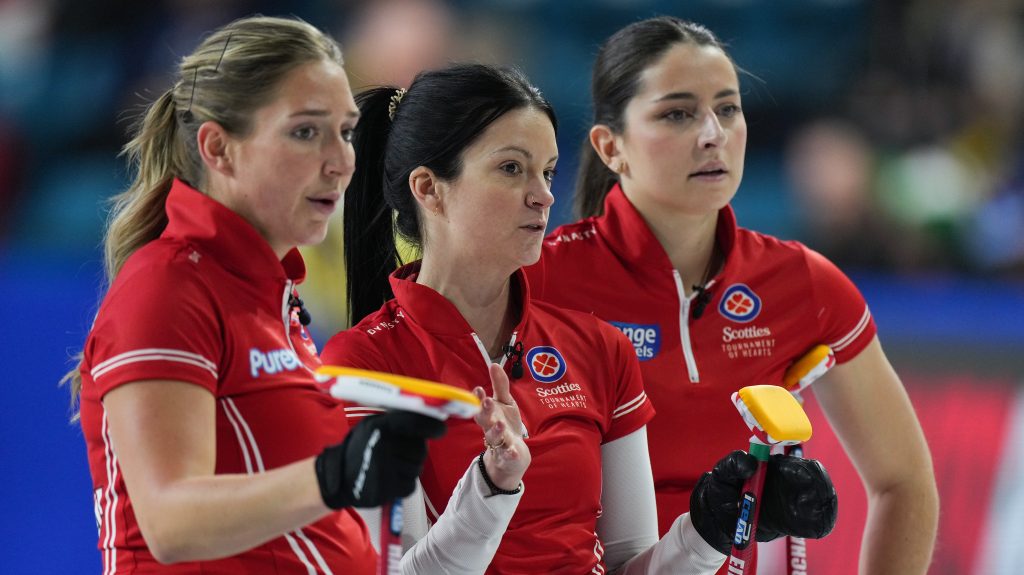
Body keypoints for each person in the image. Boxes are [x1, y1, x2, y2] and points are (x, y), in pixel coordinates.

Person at [322, 62, 837, 574]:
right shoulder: (365, 362)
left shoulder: (598, 347)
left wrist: (708, 531)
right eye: (511, 168)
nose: (544, 195)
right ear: (429, 188)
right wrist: (491, 489)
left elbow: (630, 564)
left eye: (547, 171)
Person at [527, 17, 939, 575]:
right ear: (611, 147)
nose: (712, 134)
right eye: (677, 113)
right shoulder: (537, 279)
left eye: (727, 109)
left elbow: (904, 481)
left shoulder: (801, 283)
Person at [64, 16, 445, 573]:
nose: (342, 160)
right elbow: (169, 524)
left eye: (346, 131)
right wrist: (335, 475)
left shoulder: (271, 295)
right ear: (219, 148)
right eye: (306, 132)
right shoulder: (168, 286)